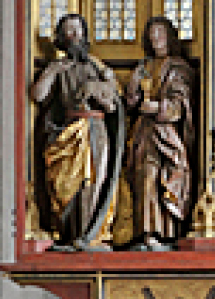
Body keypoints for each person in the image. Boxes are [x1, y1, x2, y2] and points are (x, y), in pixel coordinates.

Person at [29, 13, 124, 251]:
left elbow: (113, 106)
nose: (74, 35)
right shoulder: (57, 67)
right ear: (62, 37)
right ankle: (68, 234)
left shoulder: (97, 66)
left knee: (95, 182)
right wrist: (51, 72)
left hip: (96, 129)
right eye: (69, 30)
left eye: (78, 30)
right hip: (69, 131)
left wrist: (98, 89)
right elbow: (38, 95)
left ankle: (91, 236)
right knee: (66, 186)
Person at [119, 17, 194, 251]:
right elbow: (131, 102)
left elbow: (181, 103)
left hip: (166, 132)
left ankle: (165, 233)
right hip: (144, 131)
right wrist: (133, 90)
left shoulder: (178, 67)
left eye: (160, 33)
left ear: (169, 36)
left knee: (163, 176)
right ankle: (145, 232)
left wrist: (159, 107)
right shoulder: (144, 66)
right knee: (143, 177)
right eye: (152, 34)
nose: (155, 38)